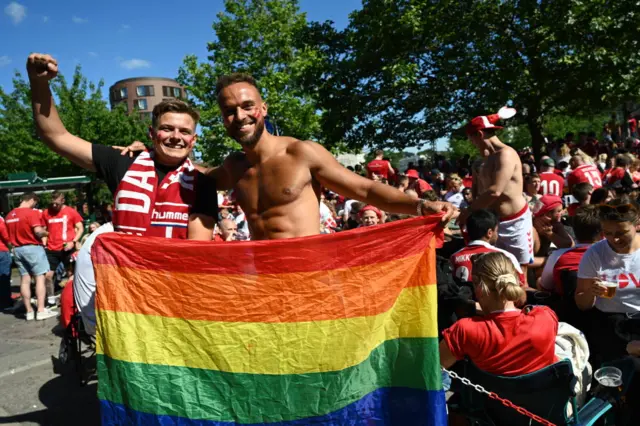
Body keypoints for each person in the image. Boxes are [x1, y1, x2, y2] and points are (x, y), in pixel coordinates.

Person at [122, 73, 452, 240]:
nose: (240, 116)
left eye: (247, 106)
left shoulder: (302, 153)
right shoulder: (234, 167)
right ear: (222, 119)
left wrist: (421, 206)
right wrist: (149, 155)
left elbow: (364, 190)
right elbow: (196, 176)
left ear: (262, 109)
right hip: (264, 278)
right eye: (229, 111)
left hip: (310, 277)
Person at [26, 53, 217, 241]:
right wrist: (39, 83)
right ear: (152, 133)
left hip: (173, 271)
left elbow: (196, 250)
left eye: (184, 132)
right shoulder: (123, 160)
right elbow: (56, 136)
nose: (176, 137)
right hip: (124, 271)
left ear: (193, 140)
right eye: (167, 129)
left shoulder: (203, 183)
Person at [440, 252, 558, 376]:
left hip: (489, 395)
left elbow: (435, 366)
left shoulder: (464, 331)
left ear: (478, 286)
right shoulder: (545, 317)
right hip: (541, 393)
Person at [461, 107, 534, 283]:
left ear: (479, 134)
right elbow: (478, 194)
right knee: (497, 271)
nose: (471, 142)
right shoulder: (482, 161)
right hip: (494, 223)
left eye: (470, 138)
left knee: (520, 273)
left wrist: (468, 212)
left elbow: (495, 191)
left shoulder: (506, 154)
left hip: (515, 221)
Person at [6, 193, 56, 320]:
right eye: (35, 202)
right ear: (32, 200)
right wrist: (47, 233)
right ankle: (40, 310)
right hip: (32, 248)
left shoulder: (9, 215)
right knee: (40, 278)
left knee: (25, 279)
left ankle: (28, 311)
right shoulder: (31, 213)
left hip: (17, 249)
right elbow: (38, 232)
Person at [540, 205, 601, 295]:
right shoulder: (612, 256)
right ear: (602, 233)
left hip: (566, 306)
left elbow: (545, 287)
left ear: (574, 230)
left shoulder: (557, 256)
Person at [450, 209, 524, 283]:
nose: (497, 234)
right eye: (496, 231)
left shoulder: (454, 257)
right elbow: (521, 284)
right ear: (489, 233)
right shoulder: (505, 256)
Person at [42, 191, 84, 305]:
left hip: (67, 247)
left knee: (71, 273)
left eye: (57, 204)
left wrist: (73, 241)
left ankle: (73, 297)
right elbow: (44, 230)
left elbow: (80, 228)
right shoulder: (46, 213)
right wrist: (44, 242)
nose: (54, 206)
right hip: (51, 249)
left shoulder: (71, 211)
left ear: (63, 201)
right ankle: (50, 299)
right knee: (48, 275)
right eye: (53, 203)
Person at [0, 215, 11, 310]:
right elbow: (5, 234)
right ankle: (5, 302)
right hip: (1, 250)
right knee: (4, 277)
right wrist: (11, 244)